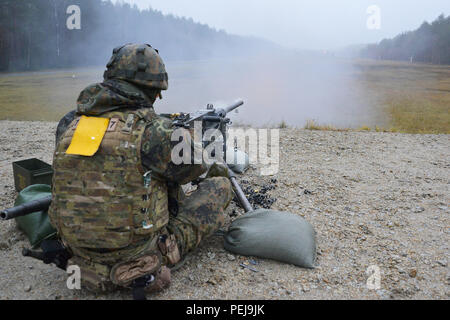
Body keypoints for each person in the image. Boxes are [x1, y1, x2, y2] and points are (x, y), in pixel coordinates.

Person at [48, 43, 233, 297]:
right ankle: (143, 266)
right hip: (139, 255)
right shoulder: (154, 132)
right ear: (152, 90)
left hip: (76, 250)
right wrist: (183, 134)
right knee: (219, 186)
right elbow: (196, 167)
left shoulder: (70, 123)